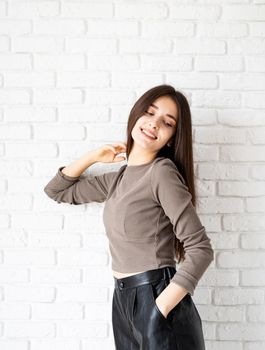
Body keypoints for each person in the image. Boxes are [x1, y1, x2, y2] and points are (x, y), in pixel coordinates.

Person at [43, 84, 214, 350]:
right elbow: (57, 191)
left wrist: (159, 309)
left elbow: (200, 249)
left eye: (167, 122)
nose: (154, 124)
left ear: (171, 138)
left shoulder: (161, 173)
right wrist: (95, 156)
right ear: (136, 115)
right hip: (123, 300)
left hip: (156, 297)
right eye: (149, 112)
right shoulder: (118, 179)